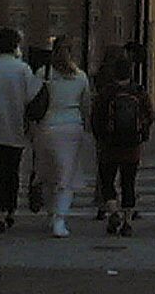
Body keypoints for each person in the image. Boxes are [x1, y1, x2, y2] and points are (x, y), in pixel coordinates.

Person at [0, 28, 42, 234]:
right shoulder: (23, 69)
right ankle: (9, 208)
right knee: (11, 172)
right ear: (15, 45)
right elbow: (32, 97)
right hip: (14, 129)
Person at [32, 36, 91, 238]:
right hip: (72, 127)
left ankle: (50, 213)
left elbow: (32, 99)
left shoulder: (43, 73)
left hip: (46, 127)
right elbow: (86, 105)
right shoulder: (80, 76)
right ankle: (60, 218)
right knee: (66, 176)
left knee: (47, 174)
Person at [91, 54, 153, 237]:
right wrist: (143, 135)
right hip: (132, 146)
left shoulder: (106, 92)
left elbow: (95, 117)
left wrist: (100, 137)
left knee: (107, 181)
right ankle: (127, 221)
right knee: (128, 182)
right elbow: (149, 115)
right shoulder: (139, 91)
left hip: (109, 145)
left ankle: (113, 211)